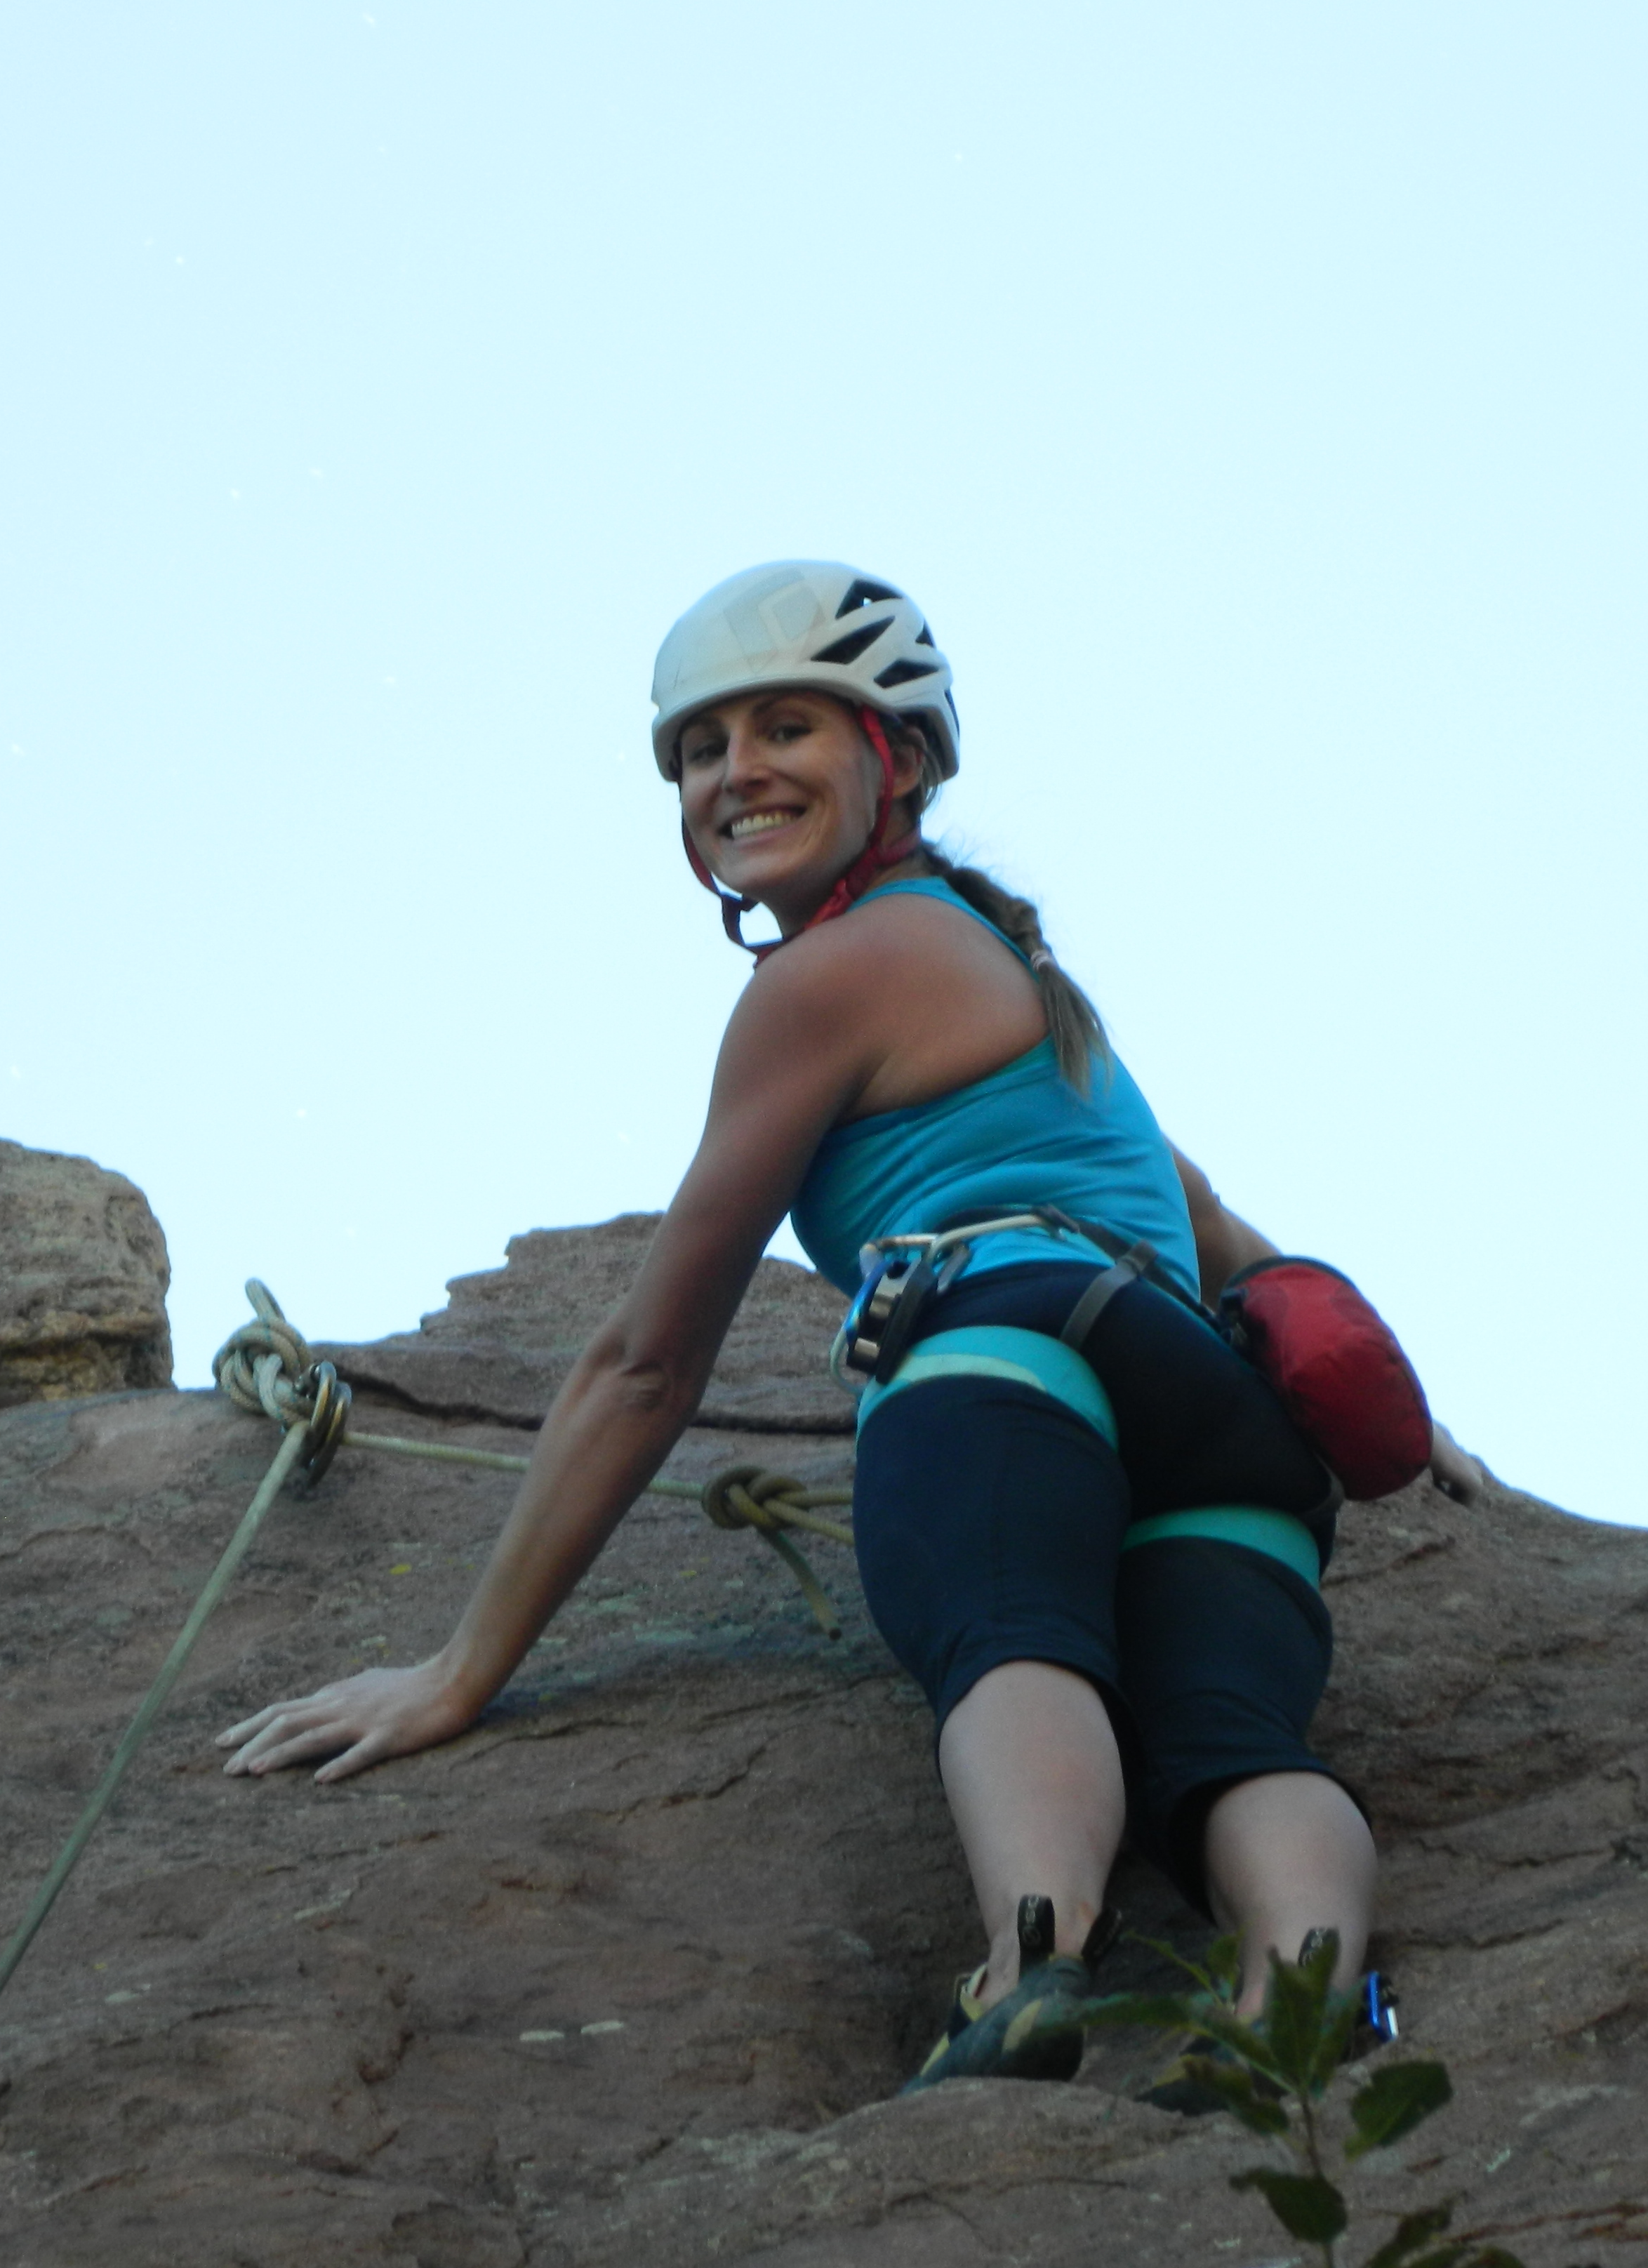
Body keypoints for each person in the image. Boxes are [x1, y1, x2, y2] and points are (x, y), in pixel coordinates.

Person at [220, 560, 1480, 2090]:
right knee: (1235, 1735)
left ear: (895, 756)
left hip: (1008, 1349)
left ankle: (1032, 1975)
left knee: (1011, 1628)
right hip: (1219, 1416)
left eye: (785, 729)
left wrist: (458, 1671)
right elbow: (1200, 1211)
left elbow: (647, 1360)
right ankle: (1309, 2002)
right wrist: (1423, 1409)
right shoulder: (1015, 969)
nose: (734, 772)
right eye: (701, 748)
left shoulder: (829, 977)